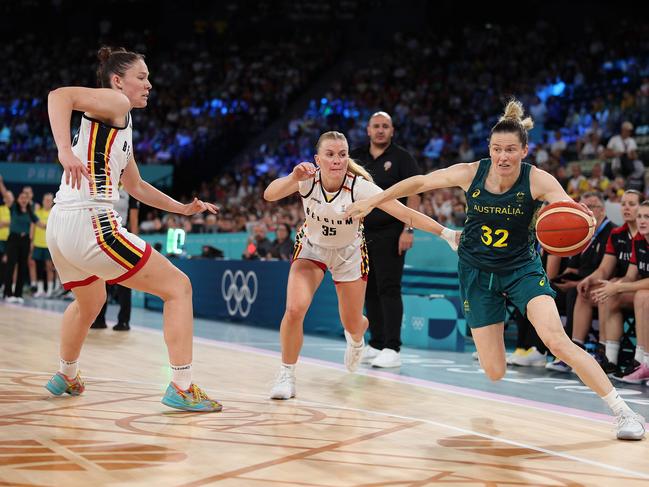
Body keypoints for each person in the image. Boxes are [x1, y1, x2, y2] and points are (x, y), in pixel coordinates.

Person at [345, 99, 645, 440]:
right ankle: (497, 330)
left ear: (525, 150)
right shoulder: (470, 172)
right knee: (494, 371)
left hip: (521, 268)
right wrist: (372, 200)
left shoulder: (538, 180)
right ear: (489, 149)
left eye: (511, 150)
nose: (503, 156)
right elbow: (418, 183)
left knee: (556, 340)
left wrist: (583, 220)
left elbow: (568, 210)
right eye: (497, 149)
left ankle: (623, 412)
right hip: (475, 271)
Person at [44, 46, 221, 412]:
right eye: (141, 78)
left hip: (62, 226)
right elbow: (59, 96)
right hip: (92, 222)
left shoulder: (119, 124)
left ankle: (67, 373)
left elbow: (137, 186)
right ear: (117, 81)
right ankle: (182, 385)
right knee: (178, 288)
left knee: (90, 301)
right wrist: (63, 150)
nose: (149, 85)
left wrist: (183, 209)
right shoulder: (116, 103)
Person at [263, 131, 457, 400]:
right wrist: (292, 177)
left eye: (342, 154)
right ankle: (286, 373)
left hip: (349, 254)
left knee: (352, 322)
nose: (337, 160)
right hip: (312, 250)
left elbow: (405, 212)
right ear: (318, 158)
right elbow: (269, 195)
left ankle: (356, 337)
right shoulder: (307, 181)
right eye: (330, 154)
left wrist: (446, 233)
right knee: (295, 308)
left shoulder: (360, 186)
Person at [349, 111, 422, 368]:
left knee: (389, 288)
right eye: (376, 126)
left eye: (385, 126)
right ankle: (376, 342)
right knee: (368, 289)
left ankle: (393, 347)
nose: (380, 130)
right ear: (368, 130)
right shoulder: (355, 156)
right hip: (360, 234)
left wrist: (408, 230)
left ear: (392, 131)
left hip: (392, 233)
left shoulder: (402, 158)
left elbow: (414, 195)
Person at [575, 190, 641, 373]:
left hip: (637, 288)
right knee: (586, 292)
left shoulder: (643, 235)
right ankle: (575, 349)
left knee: (608, 292)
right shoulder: (617, 234)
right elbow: (605, 268)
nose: (626, 208)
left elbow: (632, 276)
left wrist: (615, 284)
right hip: (626, 285)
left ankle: (607, 355)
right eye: (623, 204)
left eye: (632, 204)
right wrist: (589, 279)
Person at [592, 200, 649, 384]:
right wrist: (615, 285)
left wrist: (620, 286)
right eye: (640, 216)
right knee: (610, 294)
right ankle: (610, 360)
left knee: (641, 296)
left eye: (647, 217)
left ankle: (643, 362)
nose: (642, 221)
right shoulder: (639, 240)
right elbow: (631, 275)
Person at [91, 185, 139, 331]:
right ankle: (99, 319)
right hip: (102, 234)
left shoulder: (130, 190)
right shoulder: (104, 184)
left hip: (122, 234)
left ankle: (124, 321)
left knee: (125, 280)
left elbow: (134, 216)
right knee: (100, 279)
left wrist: (134, 240)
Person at [0, 178, 43, 304]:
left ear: (28, 200)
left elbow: (41, 224)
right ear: (18, 200)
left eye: (26, 198)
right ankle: (8, 293)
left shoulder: (30, 212)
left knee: (23, 267)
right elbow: (5, 194)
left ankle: (18, 294)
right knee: (11, 266)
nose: (24, 200)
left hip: (25, 241)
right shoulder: (13, 208)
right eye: (21, 198)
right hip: (13, 239)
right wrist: (1, 183)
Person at [31, 193, 56, 298]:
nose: (47, 202)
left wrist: (44, 225)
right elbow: (33, 226)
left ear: (52, 201)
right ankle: (40, 289)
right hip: (37, 244)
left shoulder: (54, 213)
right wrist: (31, 241)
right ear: (42, 200)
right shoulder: (37, 212)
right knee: (39, 268)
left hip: (49, 245)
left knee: (49, 267)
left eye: (49, 200)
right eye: (46, 200)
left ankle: (50, 290)